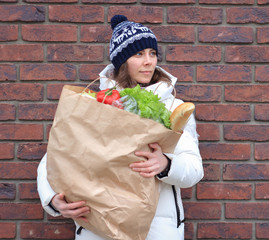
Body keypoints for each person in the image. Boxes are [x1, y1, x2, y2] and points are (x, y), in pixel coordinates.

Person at [37, 15, 203, 240]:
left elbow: (194, 169)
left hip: (157, 230)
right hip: (97, 228)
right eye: (138, 54)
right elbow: (56, 157)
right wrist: (53, 199)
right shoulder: (94, 105)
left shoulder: (175, 108)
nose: (149, 61)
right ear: (122, 61)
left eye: (152, 53)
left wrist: (166, 165)